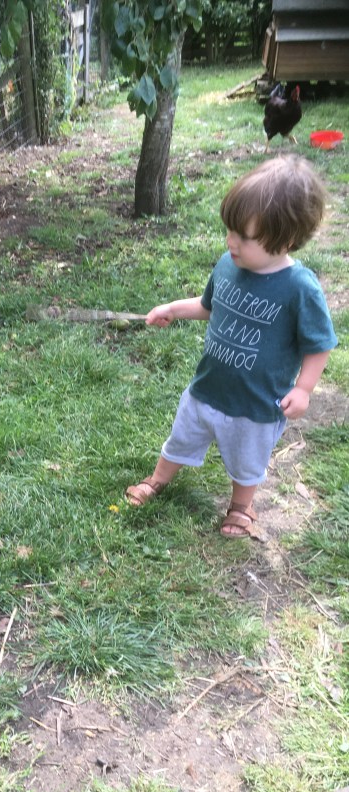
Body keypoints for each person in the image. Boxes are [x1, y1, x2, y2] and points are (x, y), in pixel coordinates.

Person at [126, 155, 337, 537]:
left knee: (247, 459)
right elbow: (209, 306)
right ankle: (157, 479)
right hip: (207, 388)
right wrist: (173, 309)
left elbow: (319, 344)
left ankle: (241, 506)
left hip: (256, 404)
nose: (231, 241)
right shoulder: (228, 263)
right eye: (230, 230)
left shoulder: (299, 288)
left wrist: (304, 389)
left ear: (286, 239)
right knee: (181, 437)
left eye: (244, 236)